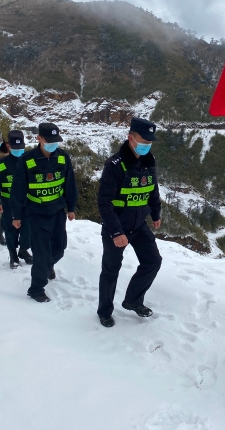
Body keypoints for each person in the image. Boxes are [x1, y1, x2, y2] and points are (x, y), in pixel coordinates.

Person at [96, 117, 162, 328]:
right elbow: (104, 202)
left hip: (139, 225)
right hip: (117, 226)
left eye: (150, 142)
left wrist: (156, 213)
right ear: (130, 138)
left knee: (153, 261)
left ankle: (133, 300)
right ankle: (105, 311)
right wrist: (116, 232)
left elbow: (152, 190)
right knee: (110, 270)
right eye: (143, 141)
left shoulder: (148, 162)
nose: (146, 145)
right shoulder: (115, 165)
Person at [10, 122, 78, 302]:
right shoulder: (27, 160)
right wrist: (17, 215)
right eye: (49, 141)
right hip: (36, 213)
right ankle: (36, 289)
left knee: (60, 248)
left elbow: (69, 184)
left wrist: (71, 207)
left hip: (57, 211)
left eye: (56, 141)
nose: (53, 144)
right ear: (39, 138)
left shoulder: (63, 157)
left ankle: (48, 266)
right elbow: (17, 190)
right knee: (41, 254)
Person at [0, 130, 33, 269]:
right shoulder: (2, 164)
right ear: (8, 146)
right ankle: (13, 254)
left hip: (27, 203)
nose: (19, 151)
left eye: (21, 148)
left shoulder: (30, 162)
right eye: (16, 148)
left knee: (28, 230)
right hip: (8, 204)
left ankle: (23, 250)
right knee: (11, 230)